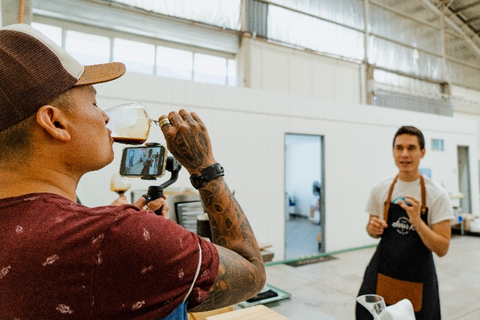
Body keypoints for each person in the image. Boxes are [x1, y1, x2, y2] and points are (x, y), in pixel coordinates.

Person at [0, 23, 266, 319]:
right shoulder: (116, 236)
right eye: (94, 102)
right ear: (55, 122)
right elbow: (252, 272)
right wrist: (206, 168)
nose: (104, 117)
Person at [356, 126, 453, 319]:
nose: (405, 154)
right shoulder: (380, 188)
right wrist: (372, 228)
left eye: (411, 148)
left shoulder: (437, 195)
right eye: (399, 148)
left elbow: (442, 248)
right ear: (393, 151)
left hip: (418, 278)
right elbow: (371, 229)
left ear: (422, 152)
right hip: (383, 272)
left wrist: (417, 221)